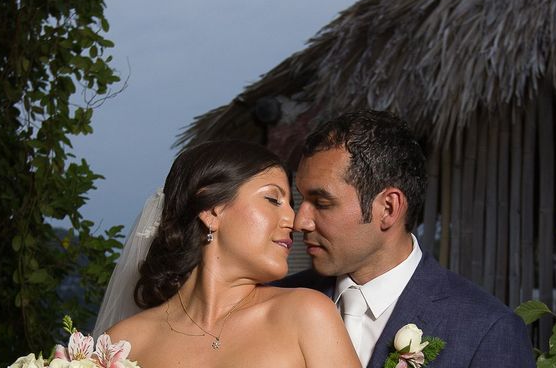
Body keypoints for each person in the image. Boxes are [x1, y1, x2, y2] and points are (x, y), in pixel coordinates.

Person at [275, 110, 535, 367]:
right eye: (301, 200)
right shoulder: (277, 302)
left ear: (388, 208)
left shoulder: (486, 331)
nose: (300, 222)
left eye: (321, 203)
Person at [95, 140, 361, 368]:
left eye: (290, 205)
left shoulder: (305, 314)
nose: (293, 220)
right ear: (212, 210)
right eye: (272, 199)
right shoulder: (125, 342)